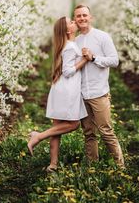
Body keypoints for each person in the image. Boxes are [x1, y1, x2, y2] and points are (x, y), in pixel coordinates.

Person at [27, 16, 88, 172]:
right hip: (67, 90)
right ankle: (38, 137)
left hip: (61, 88)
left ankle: (53, 164)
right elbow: (68, 71)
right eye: (72, 22)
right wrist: (85, 60)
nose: (75, 22)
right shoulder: (69, 47)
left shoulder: (68, 45)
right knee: (73, 124)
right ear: (68, 30)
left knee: (57, 127)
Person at [74, 4, 125, 168]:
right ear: (75, 19)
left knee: (106, 131)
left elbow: (114, 61)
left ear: (90, 17)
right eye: (78, 16)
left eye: (84, 15)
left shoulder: (102, 37)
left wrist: (94, 57)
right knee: (88, 133)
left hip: (99, 93)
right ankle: (92, 167)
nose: (82, 18)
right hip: (82, 94)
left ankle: (120, 166)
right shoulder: (75, 41)